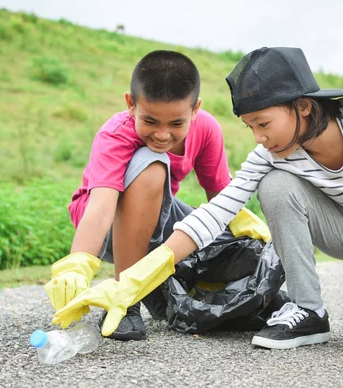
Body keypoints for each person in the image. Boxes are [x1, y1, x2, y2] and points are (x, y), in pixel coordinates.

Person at [52, 47, 343, 353]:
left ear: (302, 107)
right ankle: (308, 309)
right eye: (250, 127)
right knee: (275, 185)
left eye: (263, 124)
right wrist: (135, 279)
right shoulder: (270, 154)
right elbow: (218, 211)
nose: (258, 137)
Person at [43, 49, 270, 342]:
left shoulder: (207, 129)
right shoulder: (115, 135)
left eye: (176, 123)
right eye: (150, 121)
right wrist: (78, 263)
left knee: (243, 248)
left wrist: (242, 228)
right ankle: (127, 301)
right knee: (152, 164)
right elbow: (100, 207)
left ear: (194, 109)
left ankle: (176, 291)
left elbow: (220, 196)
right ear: (131, 104)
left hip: (158, 216)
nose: (162, 134)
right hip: (107, 223)